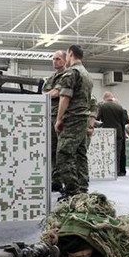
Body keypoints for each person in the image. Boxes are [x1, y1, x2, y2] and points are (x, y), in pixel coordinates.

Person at [48, 45, 93, 199]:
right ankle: (82, 188)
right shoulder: (86, 74)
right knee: (80, 154)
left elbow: (64, 97)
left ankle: (72, 191)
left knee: (63, 154)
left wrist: (59, 119)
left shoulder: (72, 72)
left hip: (72, 118)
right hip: (82, 118)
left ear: (70, 53)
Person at [42, 50, 67, 192]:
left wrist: (45, 96)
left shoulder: (67, 75)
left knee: (62, 150)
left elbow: (56, 93)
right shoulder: (51, 78)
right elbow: (46, 92)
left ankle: (66, 181)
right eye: (53, 59)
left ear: (65, 60)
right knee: (52, 150)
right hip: (49, 115)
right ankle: (56, 180)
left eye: (58, 59)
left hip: (60, 117)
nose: (55, 61)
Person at [95, 91, 128, 176]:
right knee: (117, 152)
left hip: (106, 132)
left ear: (104, 98)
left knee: (106, 152)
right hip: (118, 132)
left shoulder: (102, 106)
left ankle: (107, 171)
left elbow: (97, 118)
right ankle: (116, 171)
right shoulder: (119, 107)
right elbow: (123, 121)